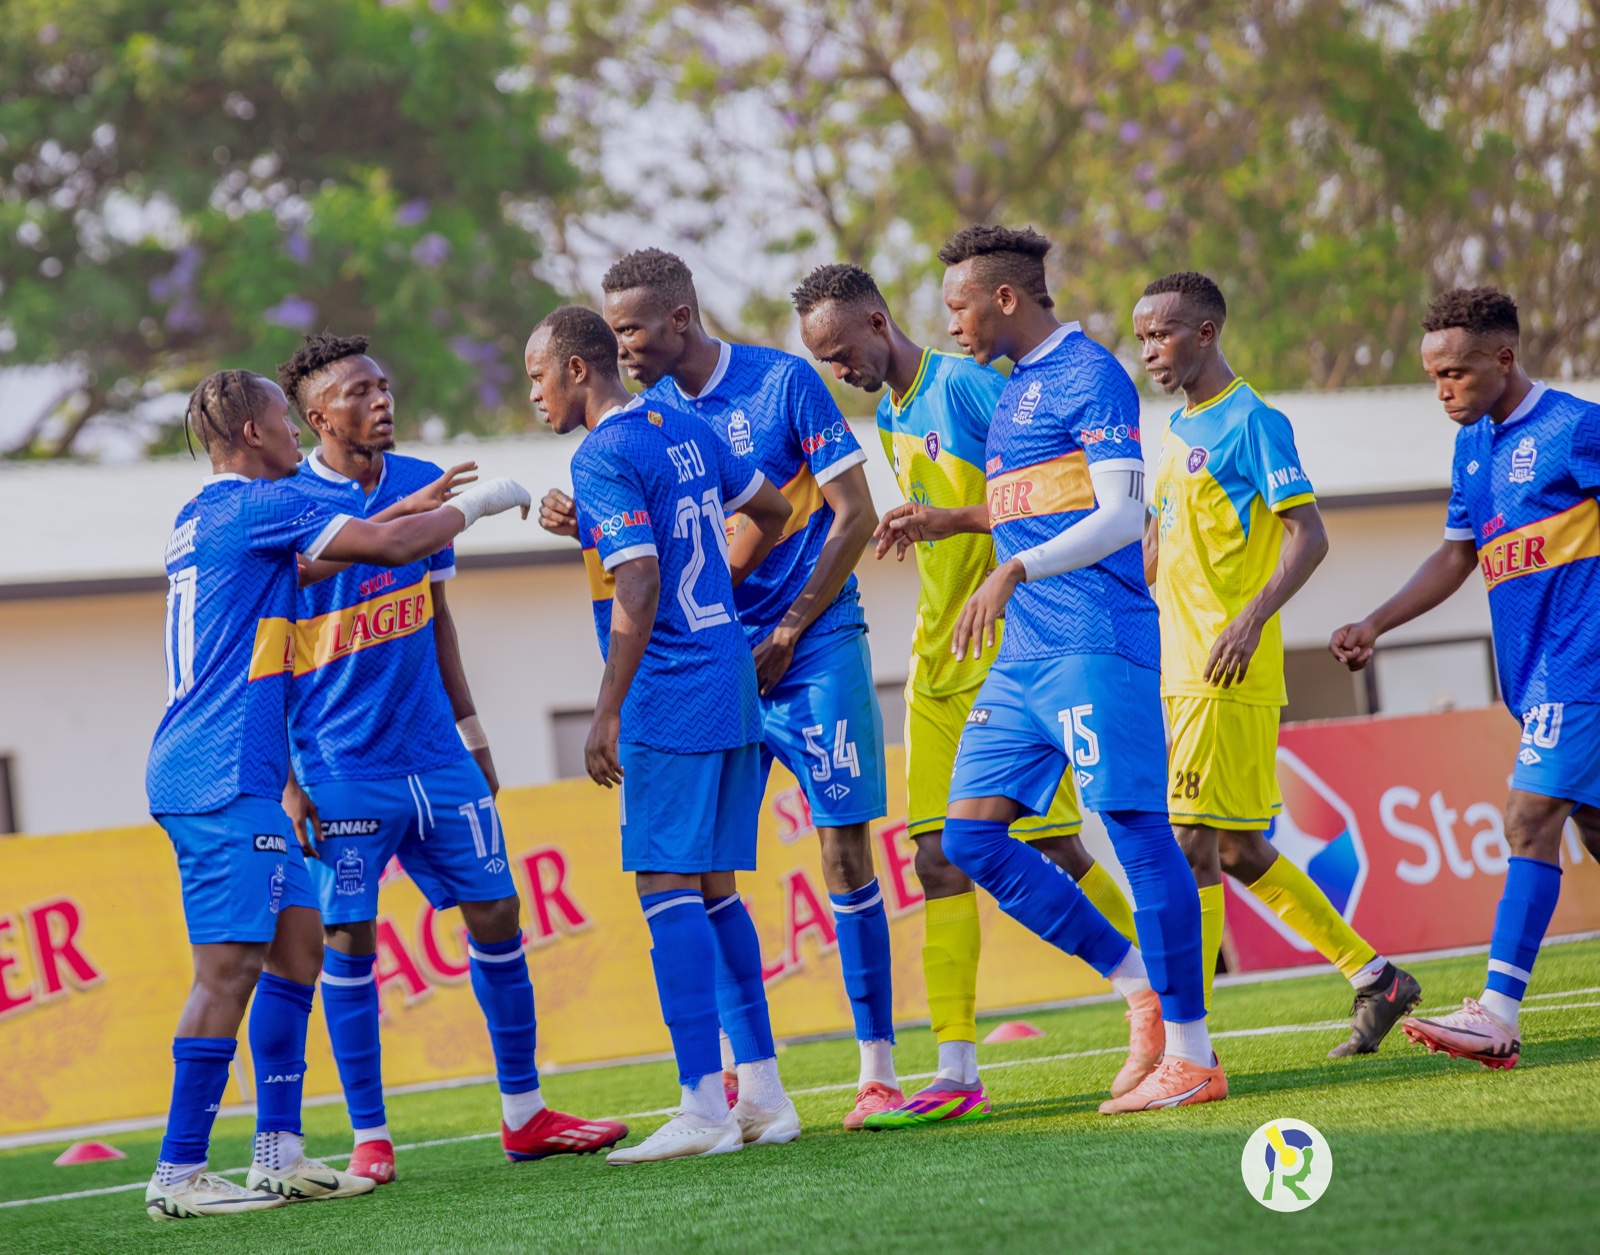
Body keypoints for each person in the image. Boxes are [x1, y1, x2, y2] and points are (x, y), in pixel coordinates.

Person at [144, 369, 531, 1219]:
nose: (295, 433)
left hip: (242, 774)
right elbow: (384, 554)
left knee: (297, 950)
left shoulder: (209, 514)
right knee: (228, 969)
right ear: (252, 432)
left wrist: (407, 506)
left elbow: (317, 569)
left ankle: (278, 1153)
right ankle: (177, 1172)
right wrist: (482, 501)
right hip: (216, 776)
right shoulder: (258, 504)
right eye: (283, 419)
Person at [881, 225, 1227, 1113]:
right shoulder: (1011, 390)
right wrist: (955, 523)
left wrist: (1013, 570)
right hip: (1024, 656)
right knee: (968, 839)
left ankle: (1193, 1054)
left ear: (1005, 298)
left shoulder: (1089, 375)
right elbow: (1033, 506)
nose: (950, 323)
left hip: (1094, 639)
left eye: (959, 305)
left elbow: (1119, 514)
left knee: (1136, 832)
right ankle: (1138, 984)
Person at [791, 261, 1139, 1127]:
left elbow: (1051, 496)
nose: (839, 370)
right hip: (936, 659)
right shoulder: (890, 410)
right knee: (936, 857)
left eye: (841, 351)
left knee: (1056, 846)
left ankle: (1162, 989)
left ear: (877, 323)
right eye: (824, 360)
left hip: (1012, 648)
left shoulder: (974, 387)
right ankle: (956, 1069)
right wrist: (929, 524)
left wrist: (955, 524)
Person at [276, 333, 627, 1180]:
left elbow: (437, 622)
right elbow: (268, 657)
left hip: (436, 755)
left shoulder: (420, 478)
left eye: (384, 386)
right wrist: (287, 779)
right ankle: (370, 1135)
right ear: (318, 417)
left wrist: (474, 736)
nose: (381, 401)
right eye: (359, 392)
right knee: (347, 934)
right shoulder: (286, 504)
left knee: (499, 911)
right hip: (339, 765)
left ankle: (525, 1113)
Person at [581, 248, 902, 1129]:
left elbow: (855, 514)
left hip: (813, 641)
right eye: (611, 331)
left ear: (680, 317)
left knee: (844, 849)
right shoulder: (646, 416)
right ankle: (749, 1079)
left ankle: (877, 1068)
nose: (621, 345)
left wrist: (791, 626)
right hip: (720, 661)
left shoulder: (782, 383)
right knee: (704, 868)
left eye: (631, 328)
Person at [528, 305, 800, 1161]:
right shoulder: (681, 425)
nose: (533, 393)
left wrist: (606, 708)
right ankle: (764, 1095)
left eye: (537, 376)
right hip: (729, 671)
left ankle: (703, 1104)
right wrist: (714, 583)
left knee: (665, 884)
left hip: (671, 691)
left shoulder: (600, 453)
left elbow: (640, 579)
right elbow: (774, 507)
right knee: (716, 888)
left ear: (577, 369)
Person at [1133, 272, 1422, 1055]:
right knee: (1235, 847)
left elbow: (1310, 534)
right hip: (1178, 669)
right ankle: (1376, 977)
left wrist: (1251, 620)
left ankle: (1187, 1045)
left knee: (1190, 839)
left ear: (1205, 332)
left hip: (1222, 668)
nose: (1149, 350)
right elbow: (1158, 547)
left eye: (1161, 333)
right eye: (1141, 338)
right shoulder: (1174, 432)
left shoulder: (1253, 421)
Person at [1332, 287, 1600, 1069]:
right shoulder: (1472, 449)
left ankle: (1496, 1014)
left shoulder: (1575, 429)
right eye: (1433, 376)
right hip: (1533, 678)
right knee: (1592, 829)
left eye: (1455, 373)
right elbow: (1457, 555)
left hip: (1579, 668)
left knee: (1527, 819)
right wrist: (1375, 622)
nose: (1443, 390)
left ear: (1503, 358)